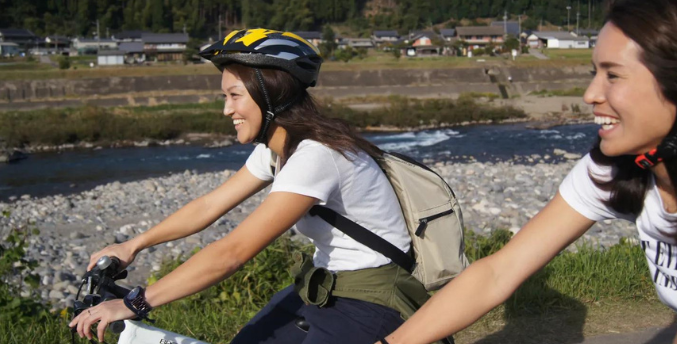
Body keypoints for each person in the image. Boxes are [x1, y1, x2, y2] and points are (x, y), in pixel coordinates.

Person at [377, 0, 677, 344]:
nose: (590, 94)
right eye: (594, 72)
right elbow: (497, 273)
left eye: (613, 75)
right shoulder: (620, 169)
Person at [70, 29, 431, 343]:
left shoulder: (316, 156)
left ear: (270, 94)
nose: (226, 109)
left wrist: (136, 302)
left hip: (375, 301)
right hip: (324, 287)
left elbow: (235, 252)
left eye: (234, 95)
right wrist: (132, 245)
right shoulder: (278, 150)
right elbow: (208, 206)